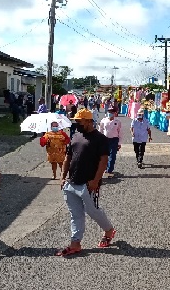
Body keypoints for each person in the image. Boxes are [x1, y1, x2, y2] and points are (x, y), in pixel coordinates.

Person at [57, 108, 116, 257]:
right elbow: (68, 157)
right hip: (71, 182)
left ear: (89, 121)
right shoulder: (76, 135)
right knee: (75, 214)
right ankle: (75, 243)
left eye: (79, 121)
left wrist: (96, 180)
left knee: (93, 211)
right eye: (76, 121)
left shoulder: (100, 139)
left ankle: (109, 230)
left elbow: (104, 161)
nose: (77, 124)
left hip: (88, 183)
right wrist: (63, 177)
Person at [99, 107, 121, 178]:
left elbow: (120, 133)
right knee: (104, 155)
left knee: (112, 156)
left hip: (114, 140)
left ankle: (109, 170)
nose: (110, 113)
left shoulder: (118, 121)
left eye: (111, 112)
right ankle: (104, 169)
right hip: (105, 139)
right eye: (109, 112)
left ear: (114, 113)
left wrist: (119, 143)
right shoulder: (104, 120)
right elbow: (100, 130)